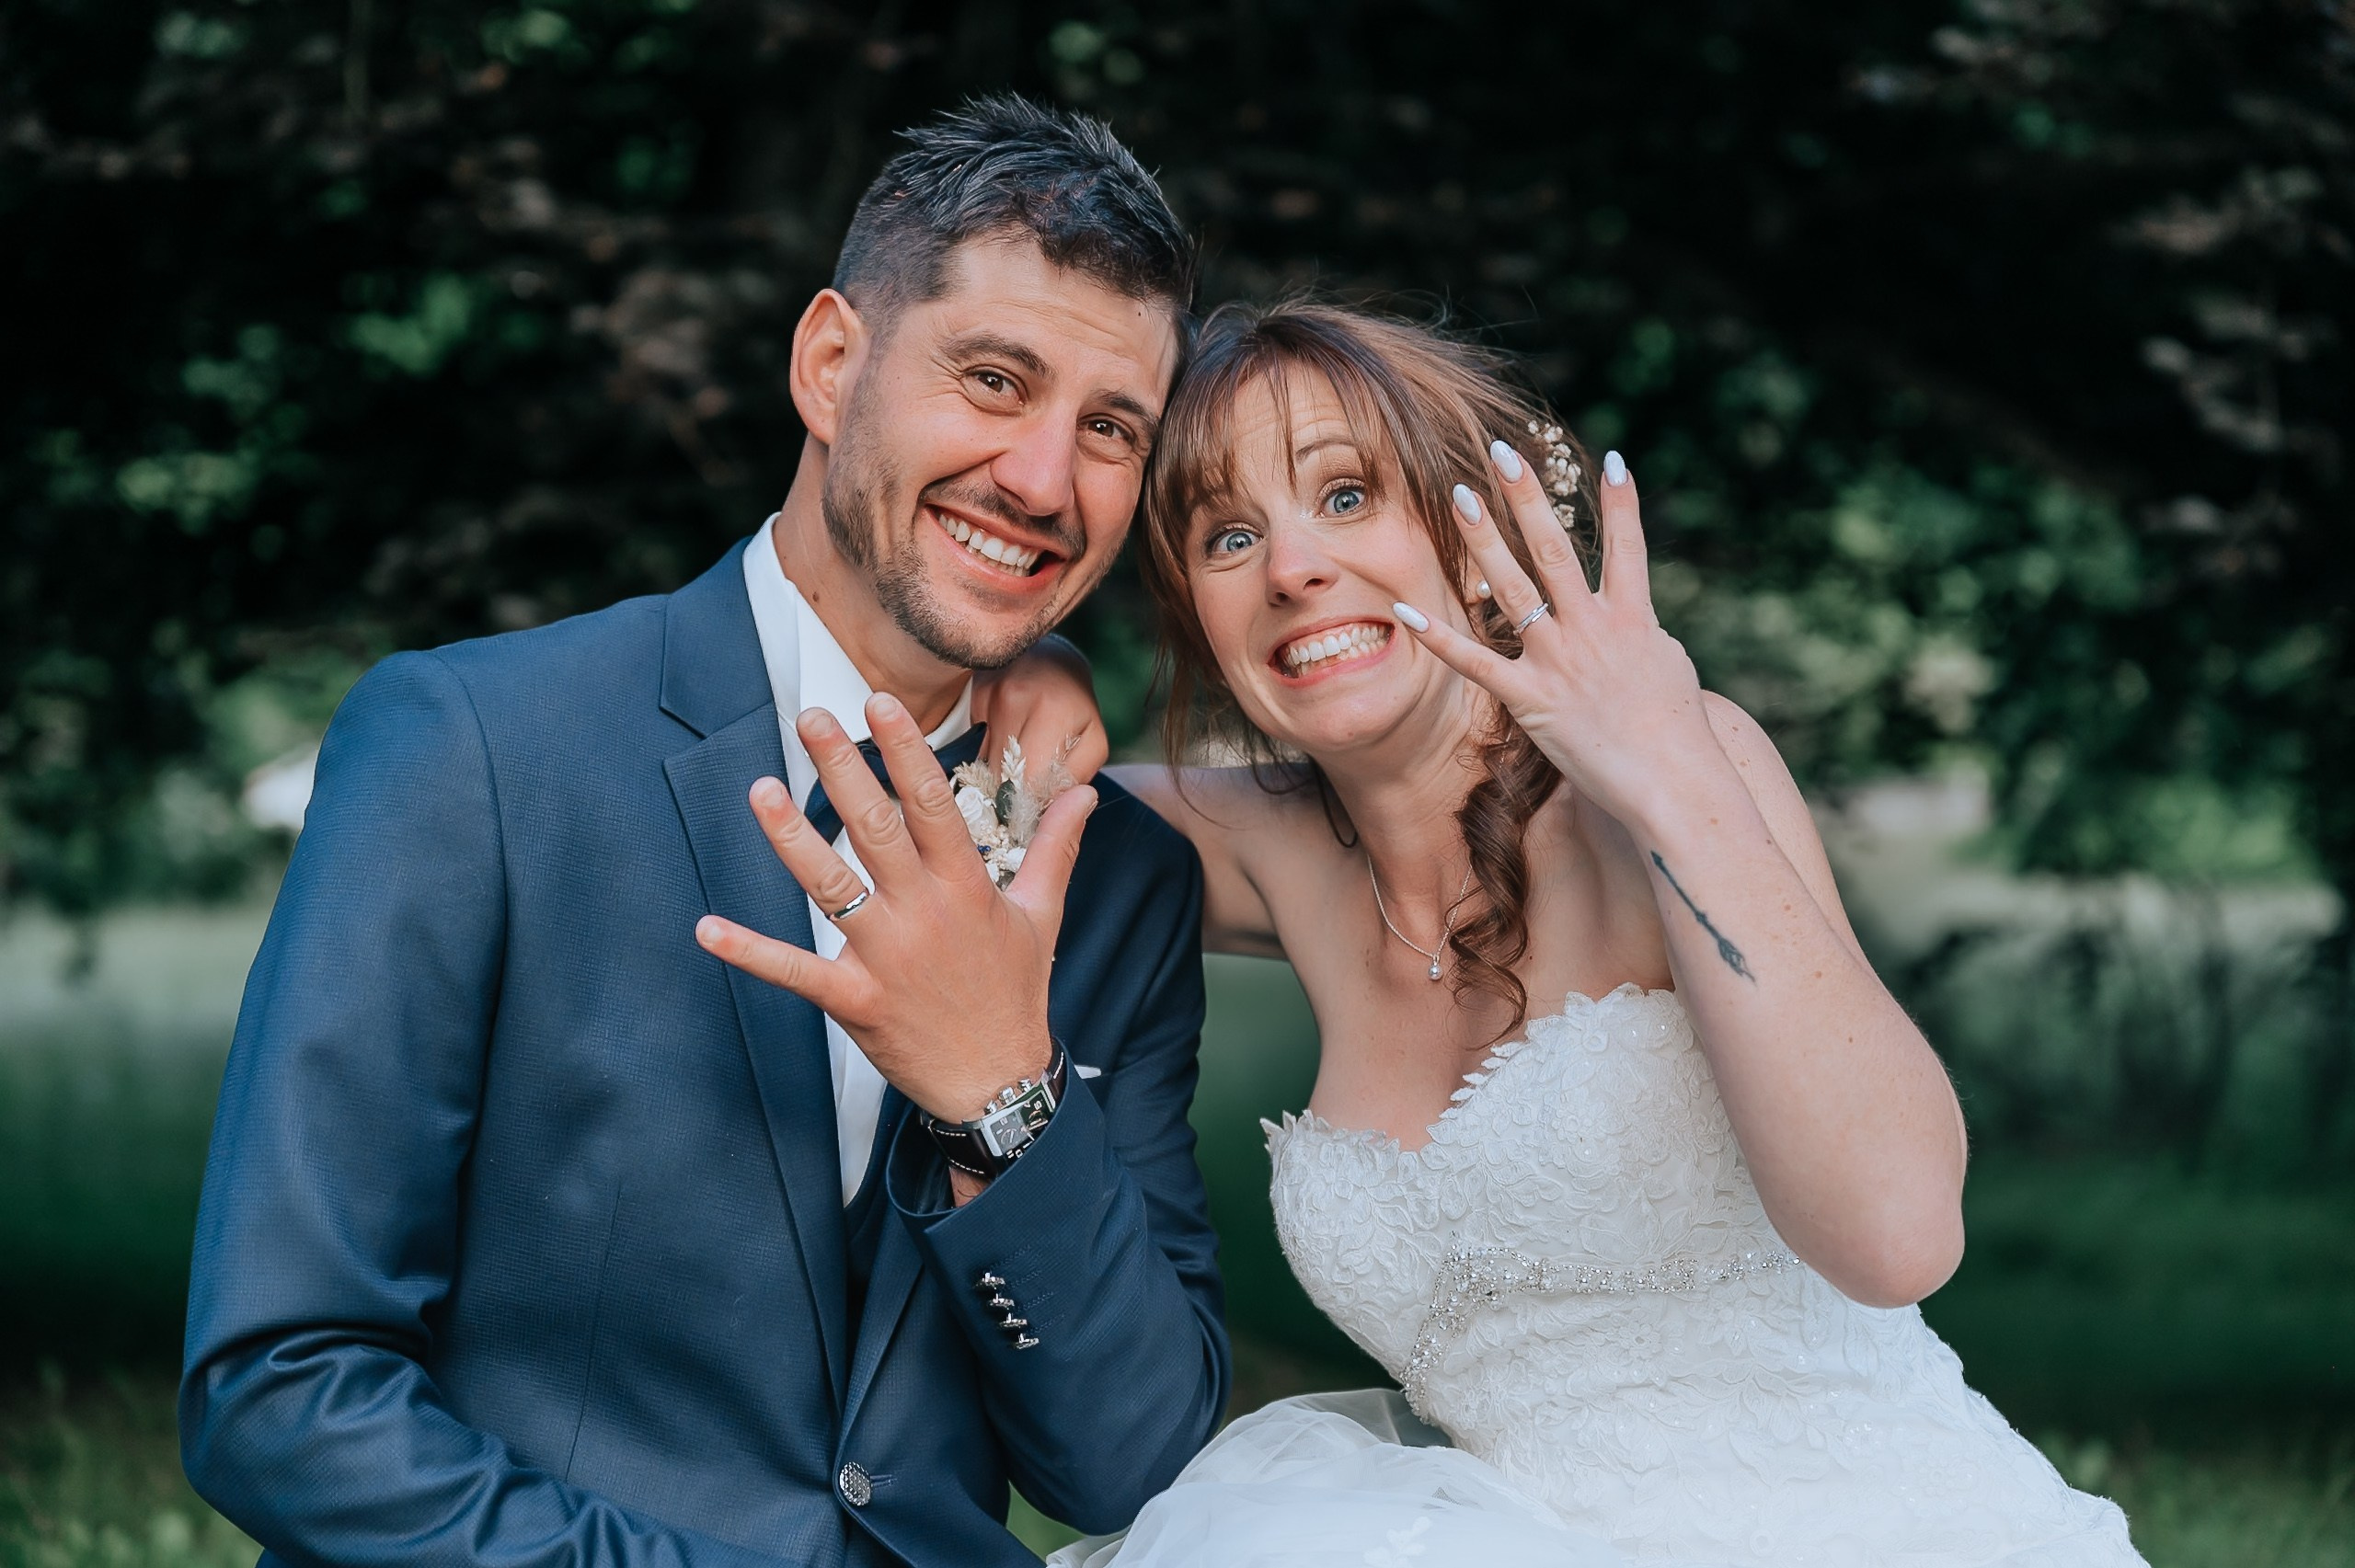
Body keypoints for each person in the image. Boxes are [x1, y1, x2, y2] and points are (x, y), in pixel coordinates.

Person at [180, 96, 1228, 1568]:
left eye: (1109, 428)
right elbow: (280, 1389)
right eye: (995, 381)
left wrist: (1006, 1096)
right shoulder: (475, 753)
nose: (1045, 480)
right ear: (829, 363)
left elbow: (1137, 1463)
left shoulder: (1115, 878)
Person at [994, 300, 2149, 1566]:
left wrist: (1670, 780)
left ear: (1468, 527)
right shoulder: (1268, 847)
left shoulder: (1664, 772)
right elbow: (1002, 788)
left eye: (1344, 497)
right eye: (1228, 534)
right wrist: (1040, 665)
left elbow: (1901, 1234)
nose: (1291, 569)